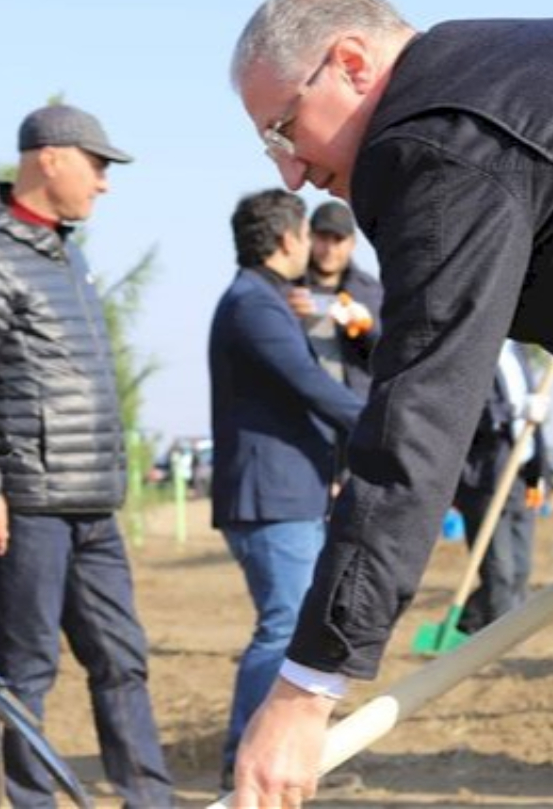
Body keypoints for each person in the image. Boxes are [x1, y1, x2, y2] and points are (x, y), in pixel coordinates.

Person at [228, 0, 553, 809]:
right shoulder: (504, 70)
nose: (290, 173)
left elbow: (418, 421)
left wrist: (309, 683)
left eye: (284, 127)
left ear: (351, 62)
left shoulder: (430, 142)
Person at [0, 104, 174, 809]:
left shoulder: (65, 251)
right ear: (51, 158)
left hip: (93, 502)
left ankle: (149, 799)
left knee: (122, 659)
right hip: (30, 505)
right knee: (27, 670)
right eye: (98, 164)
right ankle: (29, 802)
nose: (105, 183)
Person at [207, 189, 363, 791]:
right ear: (286, 240)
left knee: (288, 623)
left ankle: (262, 761)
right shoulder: (254, 305)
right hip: (270, 498)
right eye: (305, 235)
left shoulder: (265, 301)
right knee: (284, 625)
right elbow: (310, 386)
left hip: (287, 493)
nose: (310, 246)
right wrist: (388, 426)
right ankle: (242, 765)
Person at [454, 340, 550, 633]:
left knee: (520, 569)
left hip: (523, 473)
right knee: (500, 571)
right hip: (485, 476)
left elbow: (534, 416)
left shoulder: (517, 350)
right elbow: (462, 409)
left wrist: (540, 472)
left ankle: (468, 625)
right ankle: (503, 639)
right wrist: (515, 410)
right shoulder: (470, 350)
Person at [287, 200, 382, 399]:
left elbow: (393, 354)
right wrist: (287, 314)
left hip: (355, 409)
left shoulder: (371, 291)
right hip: (302, 408)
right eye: (322, 238)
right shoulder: (287, 287)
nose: (329, 249)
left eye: (337, 239)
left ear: (352, 243)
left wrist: (366, 327)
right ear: (309, 237)